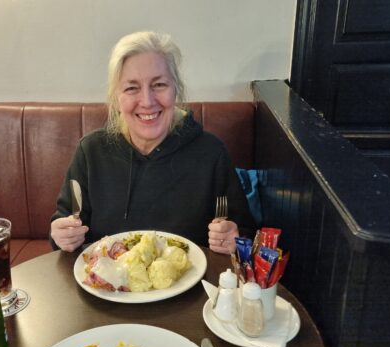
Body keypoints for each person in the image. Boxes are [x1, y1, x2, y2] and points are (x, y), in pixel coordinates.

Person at [50, 31, 255, 254]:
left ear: (176, 89)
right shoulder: (90, 152)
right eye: (131, 88)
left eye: (159, 85)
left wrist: (233, 236)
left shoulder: (211, 153)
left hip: (189, 285)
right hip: (108, 286)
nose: (147, 102)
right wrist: (63, 235)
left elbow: (244, 230)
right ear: (117, 99)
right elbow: (65, 223)